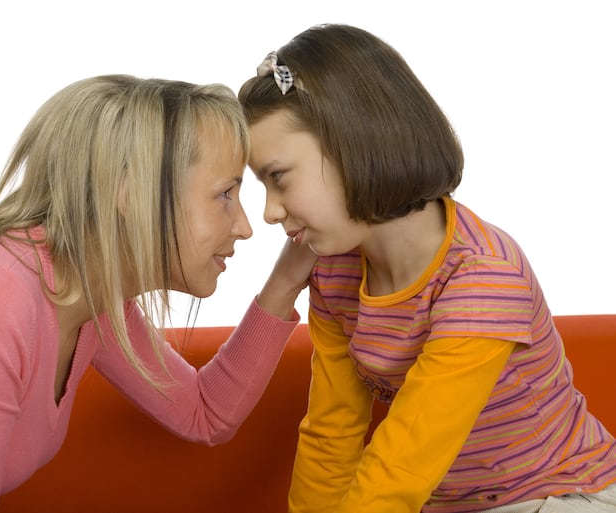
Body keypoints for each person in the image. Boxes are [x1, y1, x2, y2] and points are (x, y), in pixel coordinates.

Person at [0, 74, 317, 512]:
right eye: (225, 195)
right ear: (129, 192)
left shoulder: (90, 293)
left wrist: (290, 274)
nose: (245, 227)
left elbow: (204, 413)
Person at [238, 23, 616, 513]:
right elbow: (332, 433)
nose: (269, 211)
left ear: (357, 142)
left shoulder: (484, 277)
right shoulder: (333, 272)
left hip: (559, 494)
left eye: (279, 178)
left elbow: (402, 466)